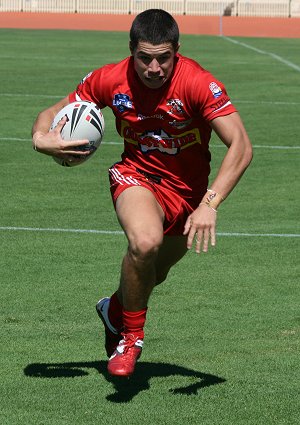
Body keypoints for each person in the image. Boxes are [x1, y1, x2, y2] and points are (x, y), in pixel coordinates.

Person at [31, 9, 252, 378]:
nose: (154, 67)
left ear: (176, 52)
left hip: (187, 195)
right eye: (145, 57)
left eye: (163, 58)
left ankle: (114, 310)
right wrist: (42, 140)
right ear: (131, 50)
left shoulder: (197, 82)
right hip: (137, 177)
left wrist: (209, 204)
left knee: (151, 275)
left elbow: (241, 146)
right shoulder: (110, 78)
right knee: (145, 243)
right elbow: (52, 111)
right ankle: (131, 338)